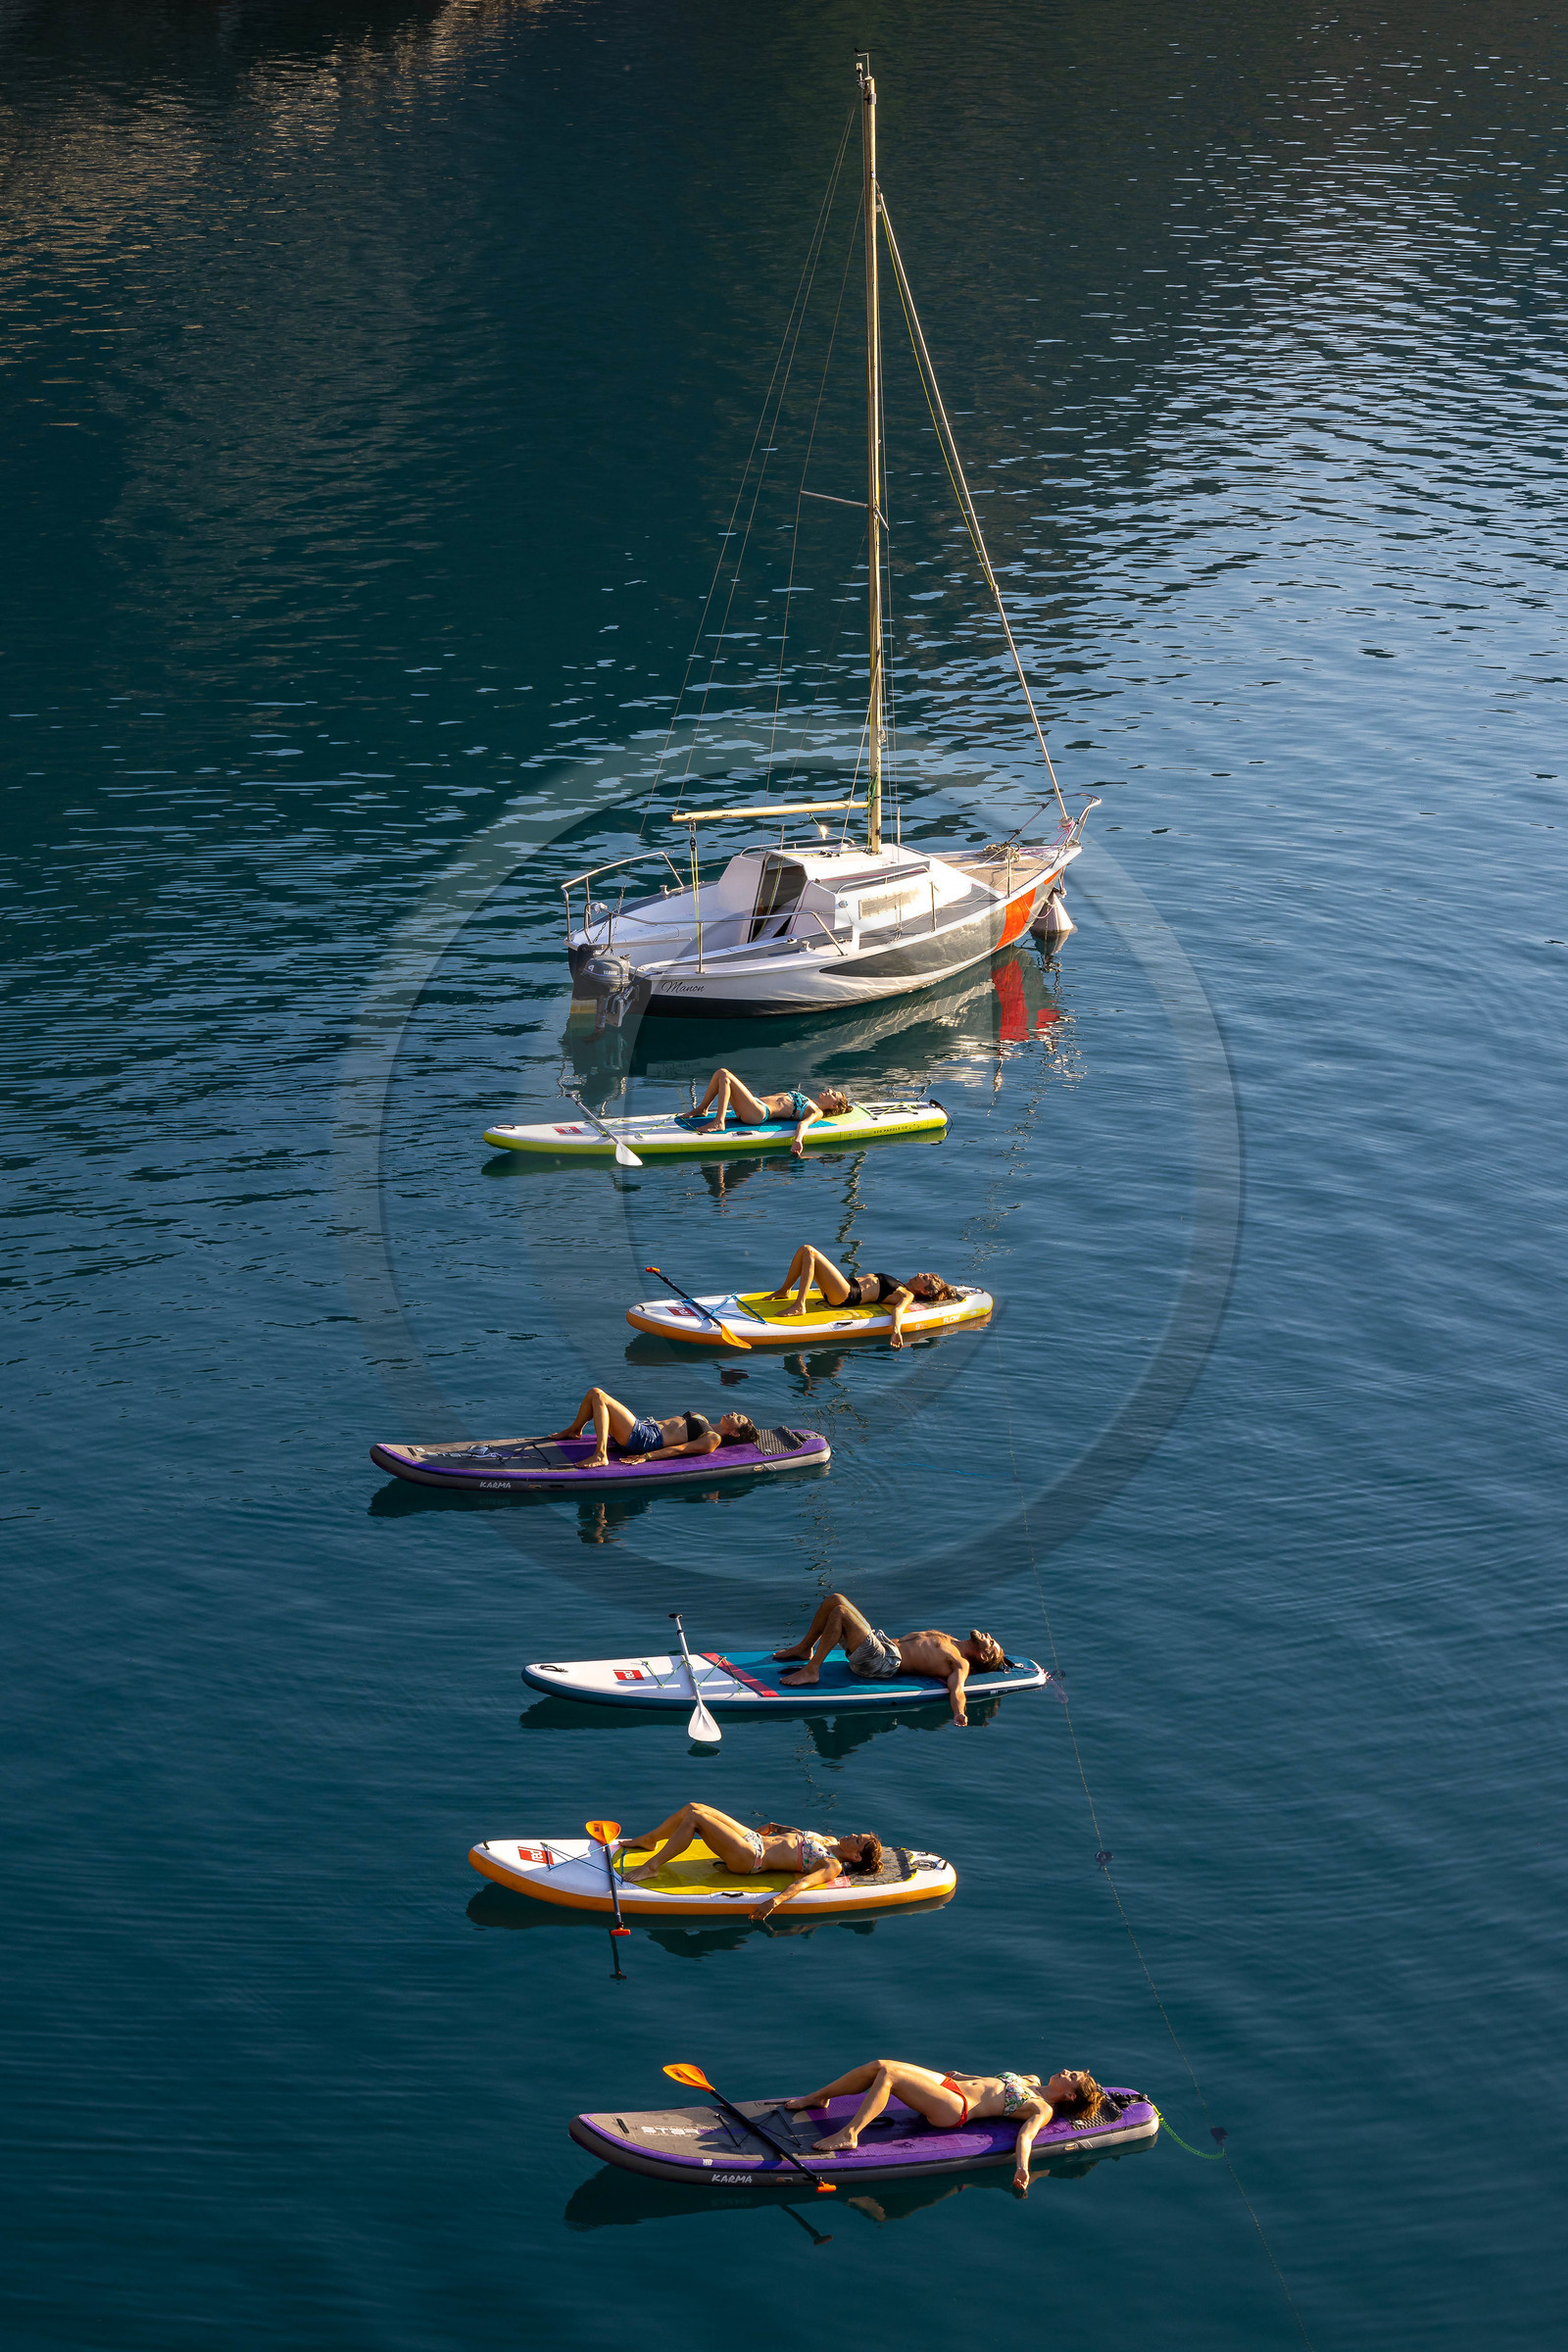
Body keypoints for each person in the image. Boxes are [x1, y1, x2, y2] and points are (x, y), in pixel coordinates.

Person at [780, 2065, 1113, 2196]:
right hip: (952, 2084)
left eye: (1073, 2077)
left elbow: (1025, 2136)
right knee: (880, 2066)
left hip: (956, 2109)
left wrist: (1022, 2169)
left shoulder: (1042, 2108)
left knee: (891, 2079)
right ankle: (818, 2097)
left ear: (1070, 2095)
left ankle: (850, 2135)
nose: (1067, 2070)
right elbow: (990, 2083)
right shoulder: (1033, 2082)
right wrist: (963, 2075)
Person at [612, 1802, 883, 1922]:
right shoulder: (829, 1839)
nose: (852, 1835)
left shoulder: (831, 1865)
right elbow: (799, 1837)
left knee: (696, 1821)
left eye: (857, 1840)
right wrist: (777, 1827)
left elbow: (802, 1883)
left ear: (856, 1857)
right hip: (754, 1838)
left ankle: (652, 1866)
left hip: (752, 1858)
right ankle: (650, 1839)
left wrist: (774, 1901)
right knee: (694, 1808)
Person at [772, 1592, 1005, 1726]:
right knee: (836, 1599)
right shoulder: (952, 1642)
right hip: (880, 1645)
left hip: (883, 1662)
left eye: (992, 1643)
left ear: (984, 1655)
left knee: (841, 1613)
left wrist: (959, 1713)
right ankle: (805, 1648)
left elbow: (957, 1691)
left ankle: (812, 1670)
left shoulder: (960, 1663)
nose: (989, 1636)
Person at [766, 1244, 965, 1348]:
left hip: (846, 1295)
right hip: (841, 1288)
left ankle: (800, 1305)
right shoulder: (901, 1284)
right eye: (924, 1273)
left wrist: (896, 1331)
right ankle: (785, 1290)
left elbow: (898, 1311)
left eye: (925, 1278)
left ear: (924, 1290)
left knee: (810, 1251)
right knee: (804, 1251)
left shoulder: (906, 1295)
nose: (921, 1274)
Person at [544, 1388, 759, 1471]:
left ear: (735, 1433)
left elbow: (682, 1449)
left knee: (599, 1395)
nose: (733, 1412)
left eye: (738, 1418)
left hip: (644, 1439)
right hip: (643, 1429)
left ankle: (601, 1454)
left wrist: (646, 1456)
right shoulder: (707, 1422)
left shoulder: (712, 1439)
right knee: (593, 1394)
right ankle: (575, 1430)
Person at [684, 1071, 852, 1157]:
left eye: (834, 1093)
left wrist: (798, 1141)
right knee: (720, 1074)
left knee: (724, 1074)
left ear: (833, 1104)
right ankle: (702, 1109)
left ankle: (719, 1122)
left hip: (759, 1113)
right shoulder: (808, 1098)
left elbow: (803, 1124)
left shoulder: (817, 1111)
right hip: (753, 1105)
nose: (830, 1090)